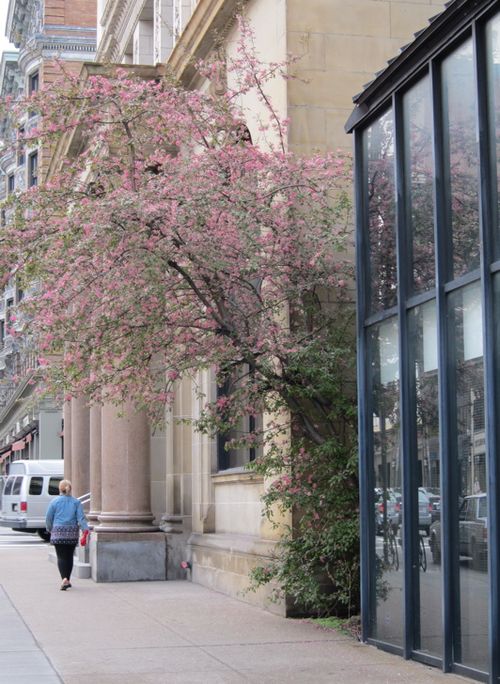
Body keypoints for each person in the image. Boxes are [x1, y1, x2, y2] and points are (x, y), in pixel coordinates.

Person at [45, 479, 89, 590]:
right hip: (71, 533)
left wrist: (50, 529)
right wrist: (85, 530)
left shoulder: (54, 502)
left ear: (59, 489)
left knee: (61, 557)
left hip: (58, 532)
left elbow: (48, 518)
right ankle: (67, 580)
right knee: (69, 557)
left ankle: (64, 579)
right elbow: (81, 518)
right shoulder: (76, 502)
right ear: (70, 489)